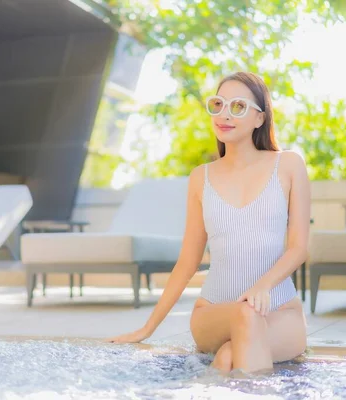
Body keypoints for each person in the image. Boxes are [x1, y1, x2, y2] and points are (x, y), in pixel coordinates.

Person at [106, 71, 310, 373]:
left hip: (281, 314)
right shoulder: (201, 178)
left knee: (230, 355)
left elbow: (299, 248)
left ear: (259, 118)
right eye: (218, 104)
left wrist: (262, 287)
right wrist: (147, 328)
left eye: (238, 106)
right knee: (244, 315)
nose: (224, 114)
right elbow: (187, 263)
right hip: (212, 314)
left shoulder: (289, 164)